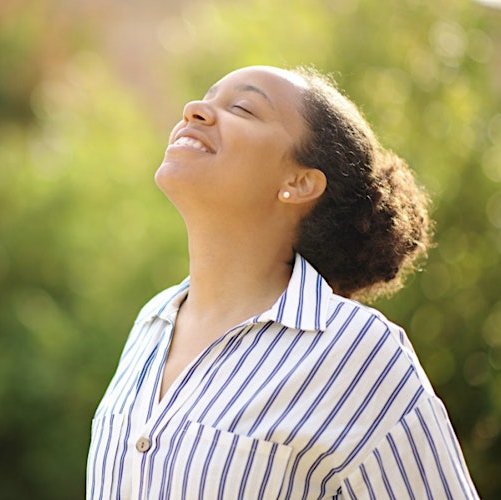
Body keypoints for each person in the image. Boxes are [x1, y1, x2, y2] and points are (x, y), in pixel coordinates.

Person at [86, 66, 479, 499]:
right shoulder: (151, 324)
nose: (194, 110)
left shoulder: (356, 351)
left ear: (299, 181)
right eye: (206, 97)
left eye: (242, 108)